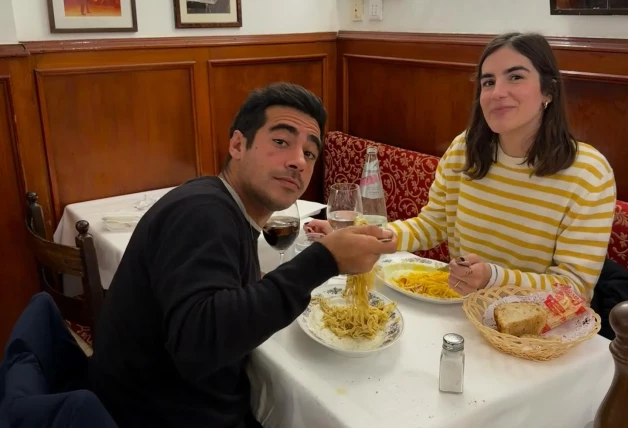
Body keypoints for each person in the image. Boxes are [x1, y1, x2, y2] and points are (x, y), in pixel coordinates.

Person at [88, 82, 397, 428]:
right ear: (237, 144)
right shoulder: (203, 213)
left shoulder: (220, 205)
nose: (298, 161)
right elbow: (198, 345)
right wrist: (323, 260)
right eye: (281, 142)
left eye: (309, 153)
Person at [307, 32, 616, 302]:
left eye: (516, 77)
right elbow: (432, 225)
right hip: (460, 310)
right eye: (488, 81)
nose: (497, 92)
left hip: (536, 337)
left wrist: (493, 278)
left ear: (548, 91)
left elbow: (574, 291)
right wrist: (360, 236)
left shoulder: (588, 173)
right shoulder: (464, 150)